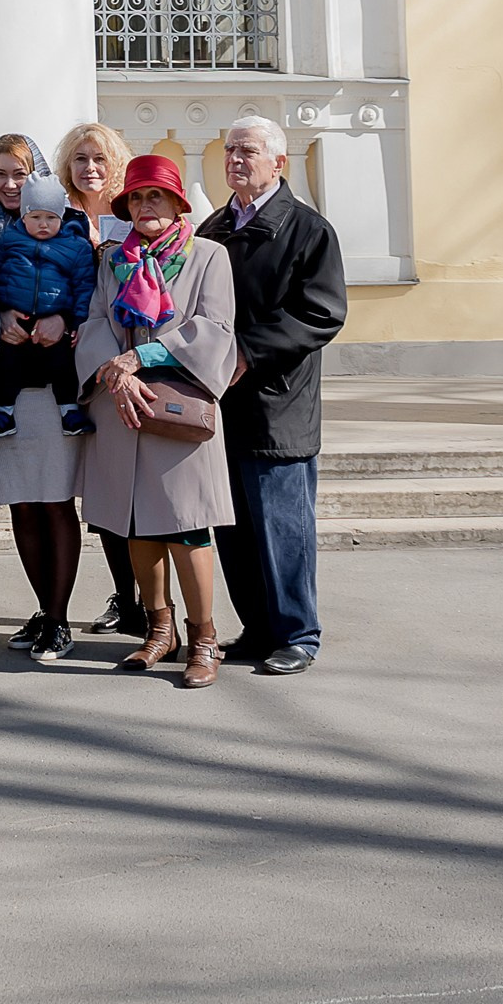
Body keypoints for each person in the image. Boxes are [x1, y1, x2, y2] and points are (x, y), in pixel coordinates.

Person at [75, 152, 239, 691]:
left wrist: (138, 360)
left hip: (177, 409)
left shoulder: (208, 255)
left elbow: (214, 328)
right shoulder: (112, 260)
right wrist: (115, 373)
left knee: (188, 525)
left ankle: (204, 638)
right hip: (123, 404)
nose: (146, 206)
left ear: (176, 204)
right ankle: (158, 629)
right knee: (134, 521)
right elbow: (96, 321)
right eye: (137, 197)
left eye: (156, 196)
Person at [200, 115, 347, 676]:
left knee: (283, 525)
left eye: (249, 151)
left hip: (277, 400)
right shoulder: (215, 228)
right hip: (220, 402)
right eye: (230, 149)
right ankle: (258, 627)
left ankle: (297, 633)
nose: (236, 159)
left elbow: (320, 312)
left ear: (278, 163)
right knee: (233, 526)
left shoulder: (308, 230)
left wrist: (245, 352)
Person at [0, 133, 85, 662]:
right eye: (0, 174)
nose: (10, 184)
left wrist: (68, 318)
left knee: (56, 500)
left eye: (20, 173)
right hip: (3, 386)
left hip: (52, 387)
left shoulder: (72, 230)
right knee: (22, 502)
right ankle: (44, 608)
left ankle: (60, 618)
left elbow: (90, 291)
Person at [55, 120, 142, 640]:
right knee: (99, 490)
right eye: (82, 159)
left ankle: (145, 600)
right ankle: (122, 594)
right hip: (63, 366)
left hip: (120, 364)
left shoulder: (133, 218)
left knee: (130, 485)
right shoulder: (56, 217)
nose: (91, 168)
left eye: (100, 160)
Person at [0, 171, 98, 435]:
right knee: (6, 361)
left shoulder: (75, 246)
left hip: (55, 316)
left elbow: (83, 286)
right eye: (35, 217)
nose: (43, 224)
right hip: (17, 317)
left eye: (51, 217)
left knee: (64, 363)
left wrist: (77, 322)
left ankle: (69, 410)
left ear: (61, 216)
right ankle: (3, 412)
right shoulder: (9, 241)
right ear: (24, 216)